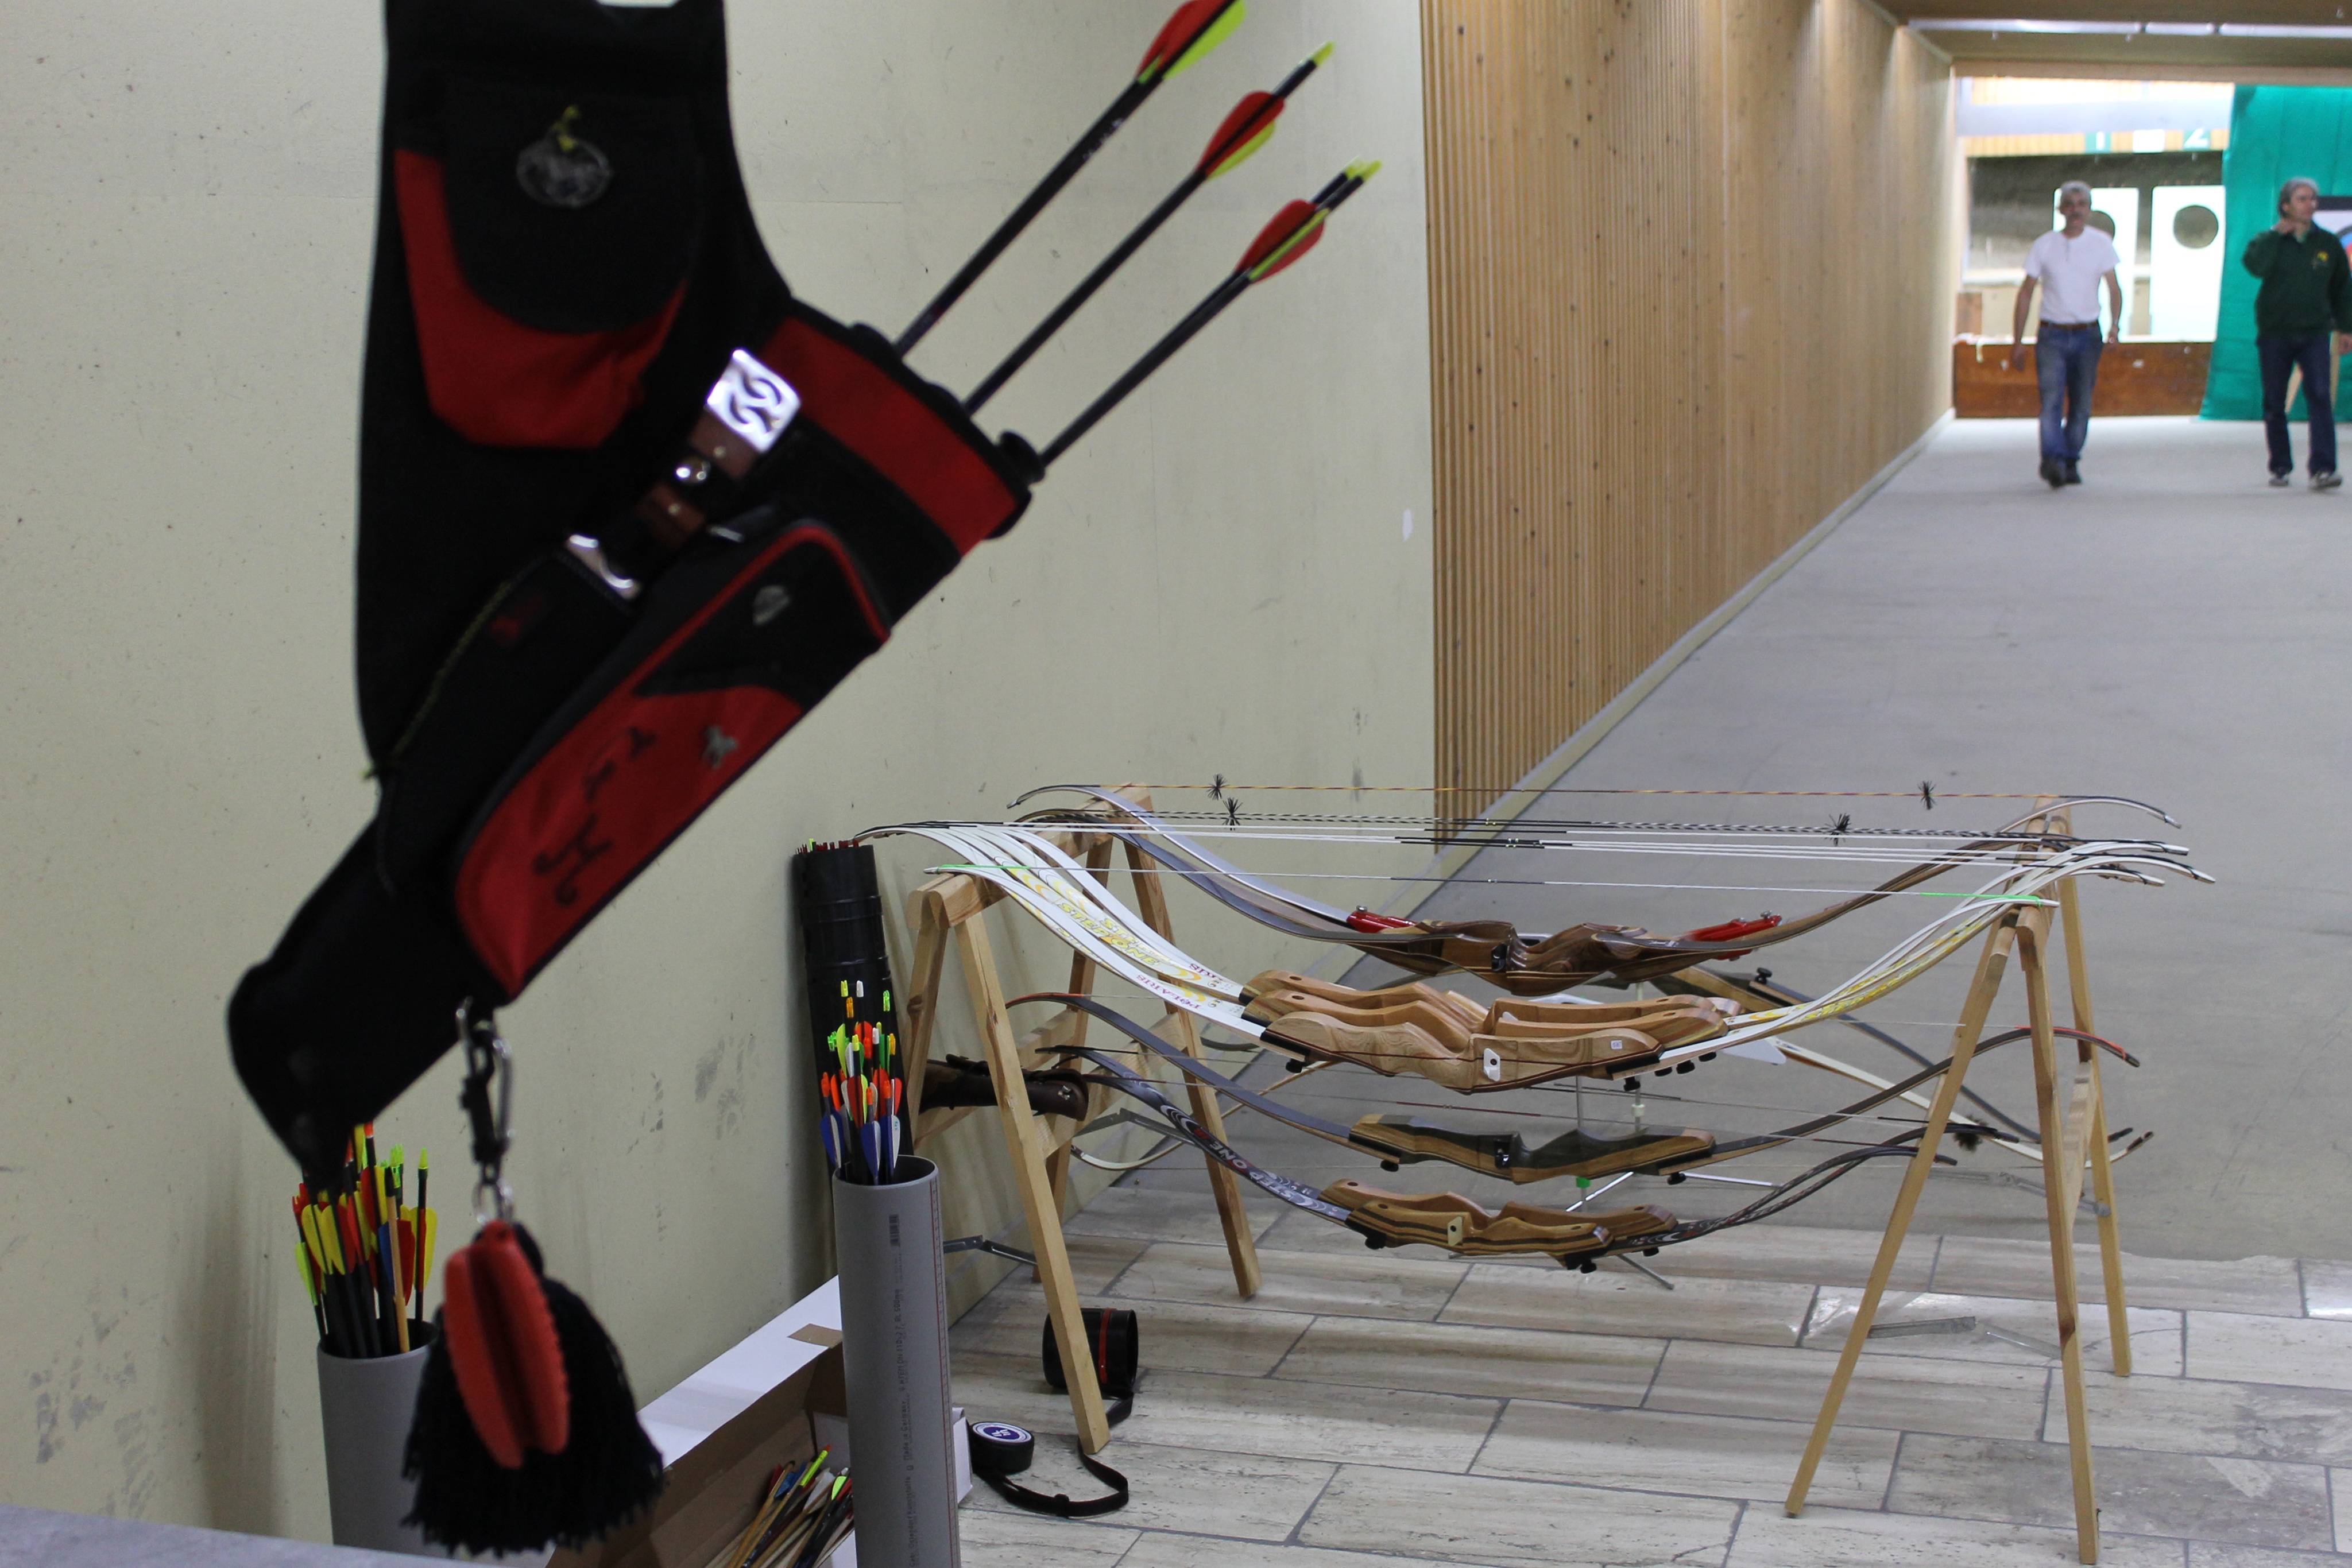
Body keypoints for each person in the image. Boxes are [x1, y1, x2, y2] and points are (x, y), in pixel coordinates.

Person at [2010, 181, 2123, 490]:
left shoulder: (2101, 244)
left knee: (2082, 403)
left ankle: (2070, 459)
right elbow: (2026, 293)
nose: (2076, 210)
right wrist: (2017, 341)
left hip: (2088, 335)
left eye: (2082, 204)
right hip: (2052, 335)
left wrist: (2115, 326)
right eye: (2070, 204)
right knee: (2051, 400)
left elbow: (2114, 288)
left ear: (2089, 210)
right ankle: (2053, 460)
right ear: (2060, 209)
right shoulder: (2044, 245)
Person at [2243, 176, 2352, 491]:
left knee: (2320, 397)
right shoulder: (2269, 240)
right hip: (2276, 332)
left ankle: (2323, 469)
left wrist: (2346, 327)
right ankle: (2280, 465)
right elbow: (2255, 267)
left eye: (2313, 199)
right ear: (2286, 205)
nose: (2310, 205)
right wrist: (2274, 237)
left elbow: (2342, 289)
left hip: (2315, 333)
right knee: (2275, 402)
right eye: (2302, 199)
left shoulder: (2328, 243)